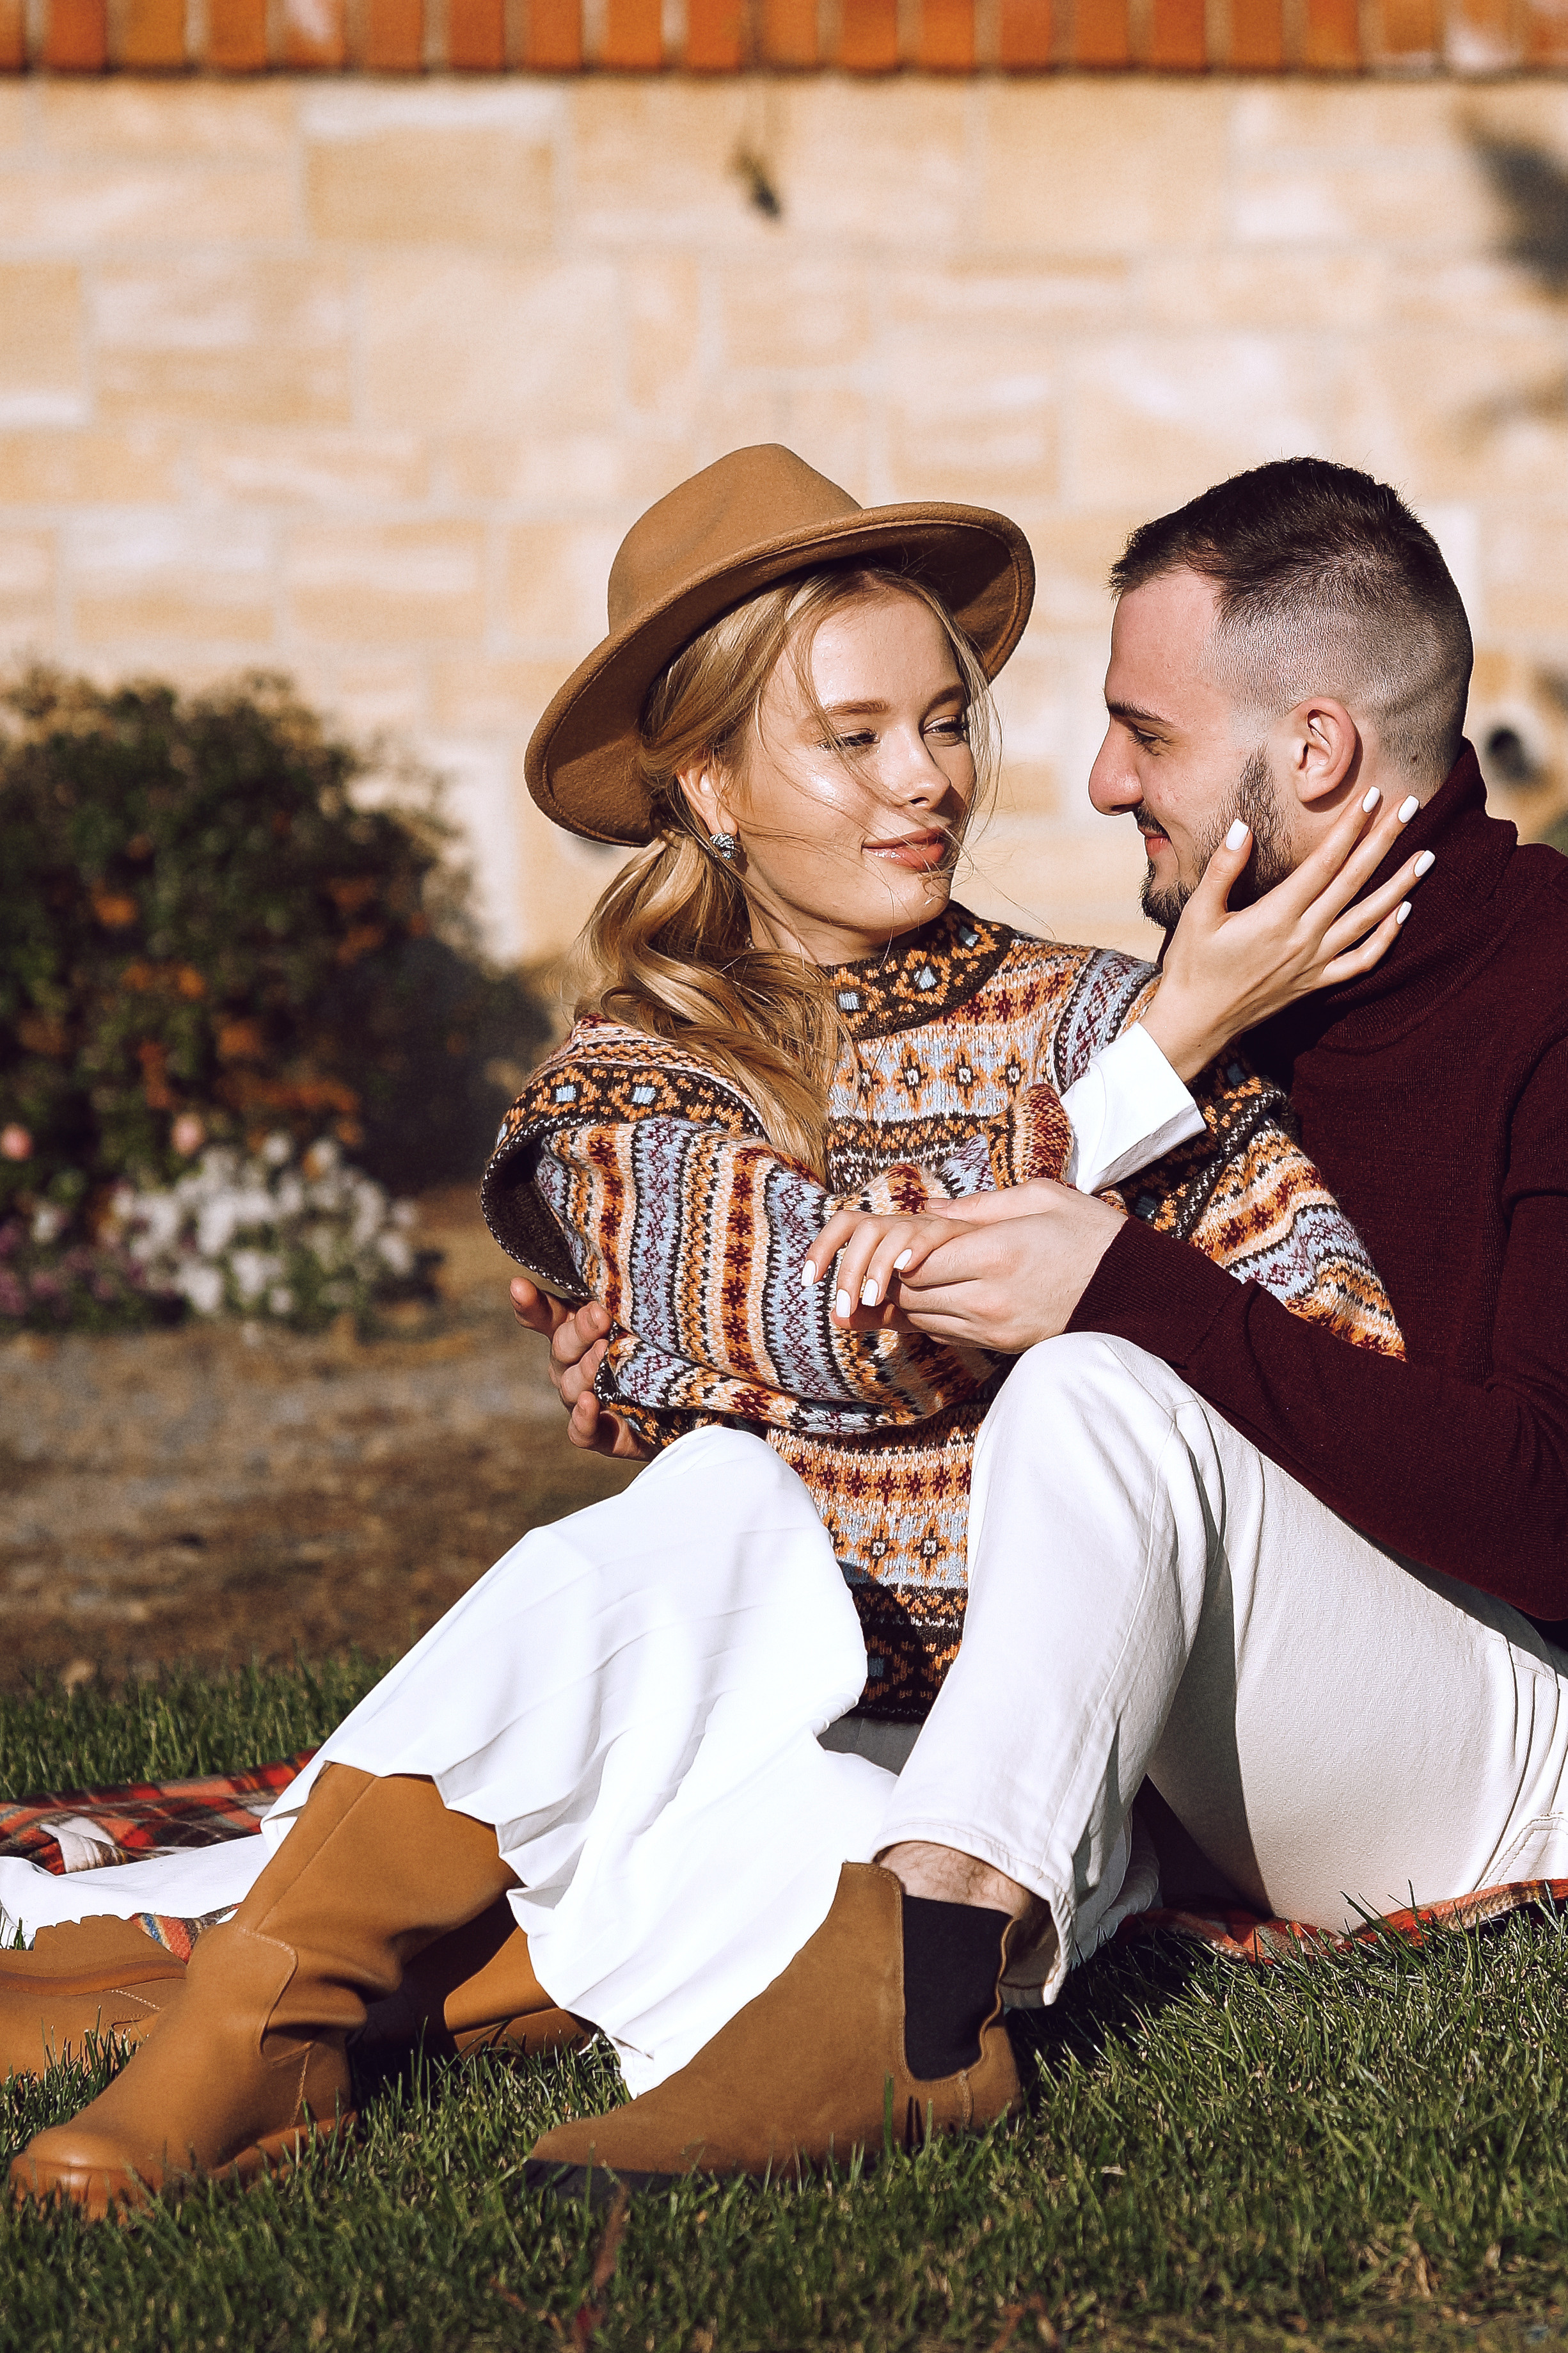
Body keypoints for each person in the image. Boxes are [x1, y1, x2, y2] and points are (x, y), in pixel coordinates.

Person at [7, 448, 1424, 2215]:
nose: (928, 783)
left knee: (796, 1828)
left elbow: (1335, 1340)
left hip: (1012, 1761)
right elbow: (821, 1311)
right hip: (755, 1687)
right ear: (710, 786)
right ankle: (254, 2018)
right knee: (710, 1521)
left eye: (947, 721)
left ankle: (267, 2005)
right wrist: (1123, 1122)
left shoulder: (1102, 1010)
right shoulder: (628, 1081)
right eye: (852, 738)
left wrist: (1096, 1164)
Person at [513, 454, 1568, 2191]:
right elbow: (890, 1241)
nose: (1088, 782)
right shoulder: (1206, 1010)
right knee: (727, 1745)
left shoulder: (1546, 990)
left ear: (1307, 752)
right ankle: (306, 1991)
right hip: (1251, 1728)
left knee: (1095, 1382)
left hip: (1511, 1738)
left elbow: (1543, 1505)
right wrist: (638, 1326)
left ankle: (926, 2002)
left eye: (1140, 734)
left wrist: (1128, 1285)